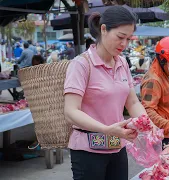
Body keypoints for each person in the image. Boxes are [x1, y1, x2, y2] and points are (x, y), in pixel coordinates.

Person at [63, 6, 156, 180]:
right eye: (120, 37)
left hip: (117, 145)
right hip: (88, 150)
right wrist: (106, 129)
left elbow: (133, 103)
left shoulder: (121, 62)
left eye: (128, 39)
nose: (124, 44)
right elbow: (71, 111)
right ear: (103, 29)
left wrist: (148, 125)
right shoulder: (81, 64)